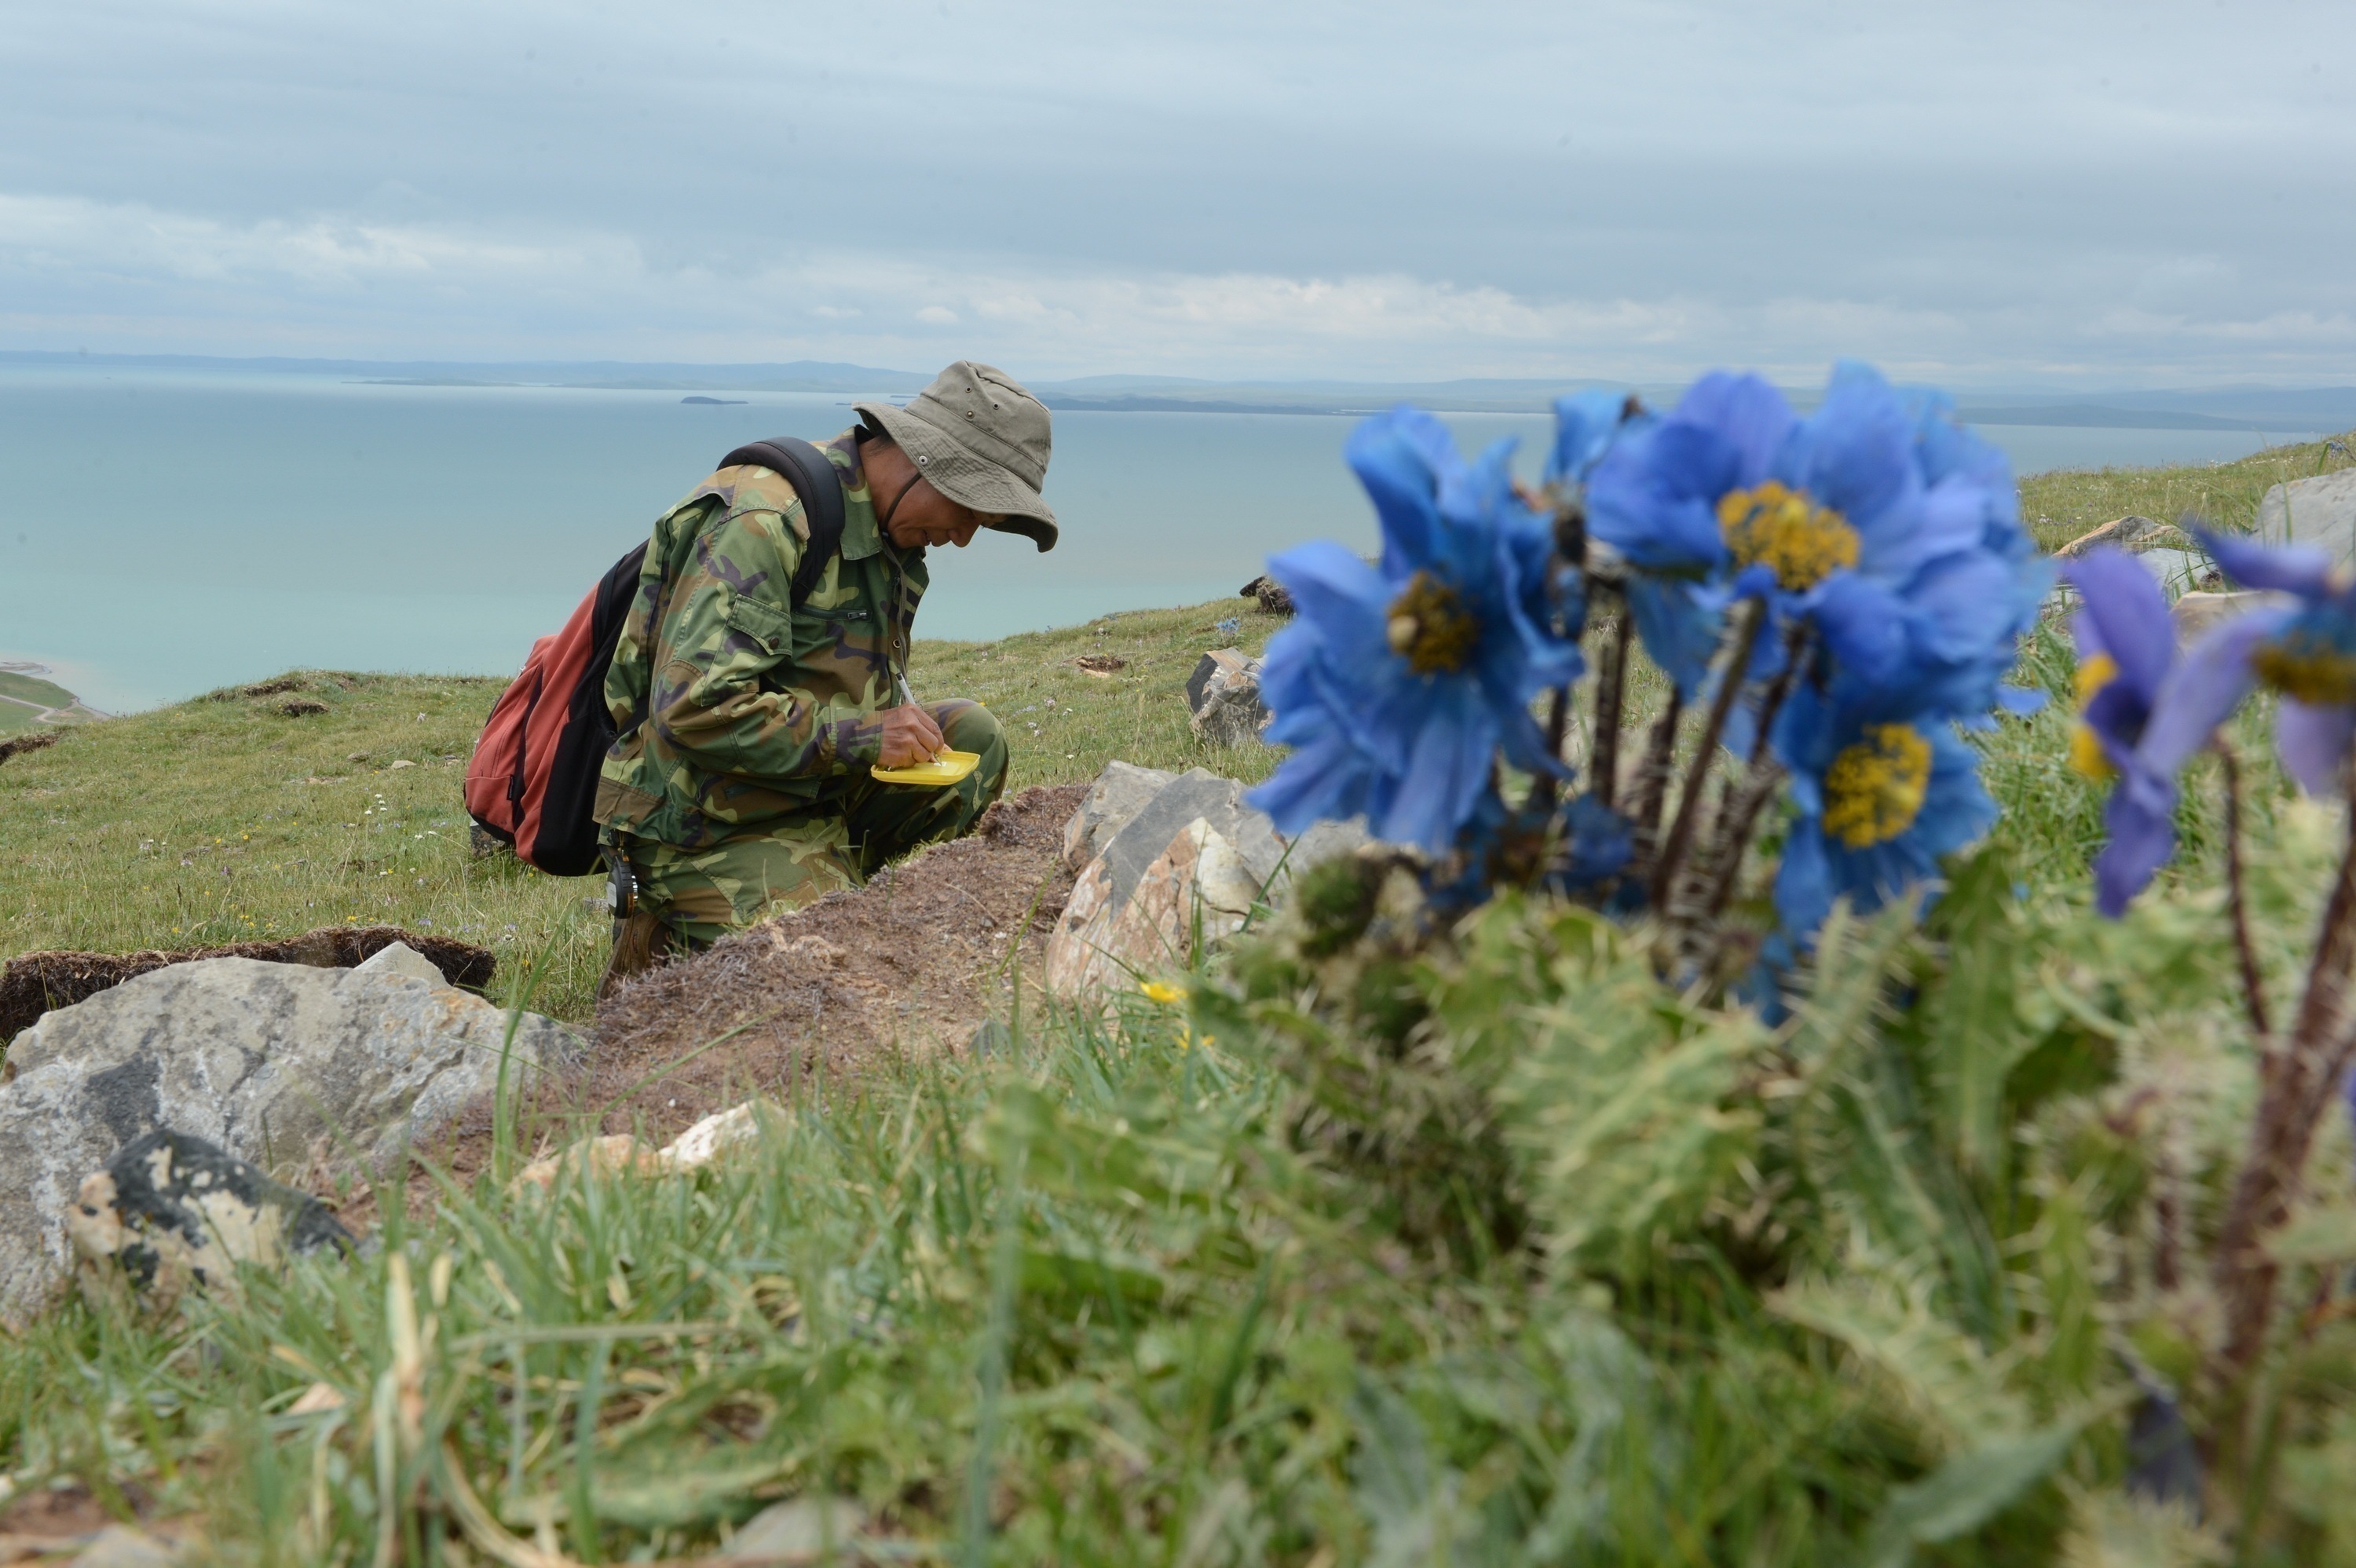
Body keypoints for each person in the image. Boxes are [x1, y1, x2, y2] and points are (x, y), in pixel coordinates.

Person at [593, 360, 1056, 988]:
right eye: (971, 508)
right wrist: (864, 736)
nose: (965, 538)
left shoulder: (891, 537)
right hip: (700, 822)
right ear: (927, 461)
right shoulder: (764, 520)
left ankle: (831, 881)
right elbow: (692, 709)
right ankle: (665, 933)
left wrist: (882, 731)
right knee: (836, 960)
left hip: (810, 792)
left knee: (975, 738)